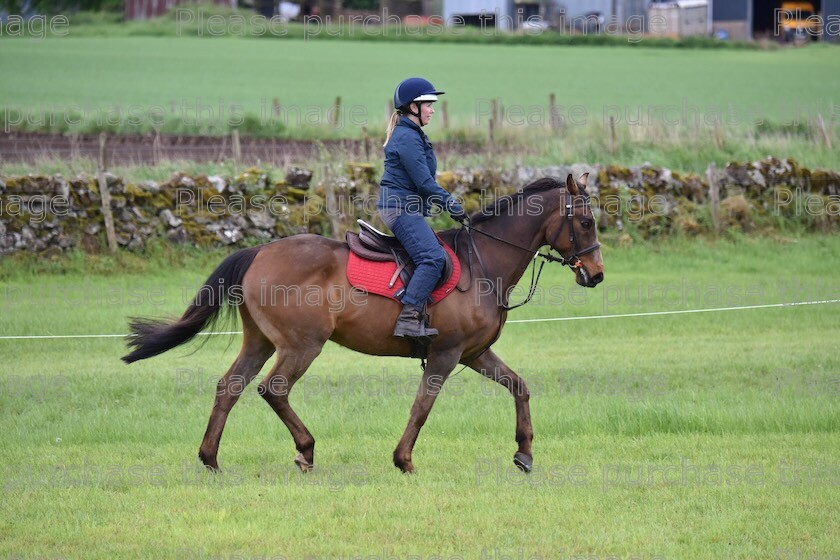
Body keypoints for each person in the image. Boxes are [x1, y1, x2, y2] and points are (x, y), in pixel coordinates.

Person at [377, 77, 467, 341]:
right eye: (428, 104)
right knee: (433, 258)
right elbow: (424, 183)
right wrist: (450, 202)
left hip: (406, 208)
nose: (432, 109)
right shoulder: (407, 137)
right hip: (400, 209)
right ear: (412, 107)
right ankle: (408, 318)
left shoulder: (412, 134)